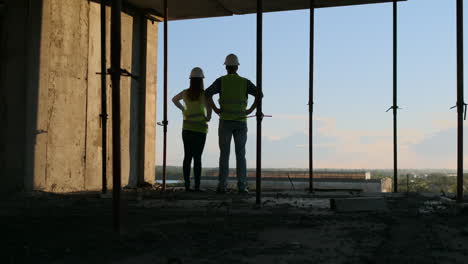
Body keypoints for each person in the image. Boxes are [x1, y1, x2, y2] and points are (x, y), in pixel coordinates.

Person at [205, 54, 262, 193]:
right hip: (241, 122)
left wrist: (215, 108)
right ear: (237, 67)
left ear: (226, 67)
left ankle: (222, 186)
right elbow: (260, 94)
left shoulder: (221, 81)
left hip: (225, 122)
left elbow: (207, 93)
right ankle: (242, 187)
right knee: (240, 155)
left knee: (224, 154)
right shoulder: (244, 82)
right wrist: (250, 110)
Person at [172, 67, 212, 192]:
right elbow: (209, 109)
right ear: (201, 80)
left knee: (187, 157)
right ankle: (197, 186)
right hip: (200, 130)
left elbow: (174, 100)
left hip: (187, 128)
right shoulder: (203, 94)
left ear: (190, 80)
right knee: (197, 158)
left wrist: (183, 109)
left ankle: (187, 186)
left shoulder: (185, 93)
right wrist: (208, 117)